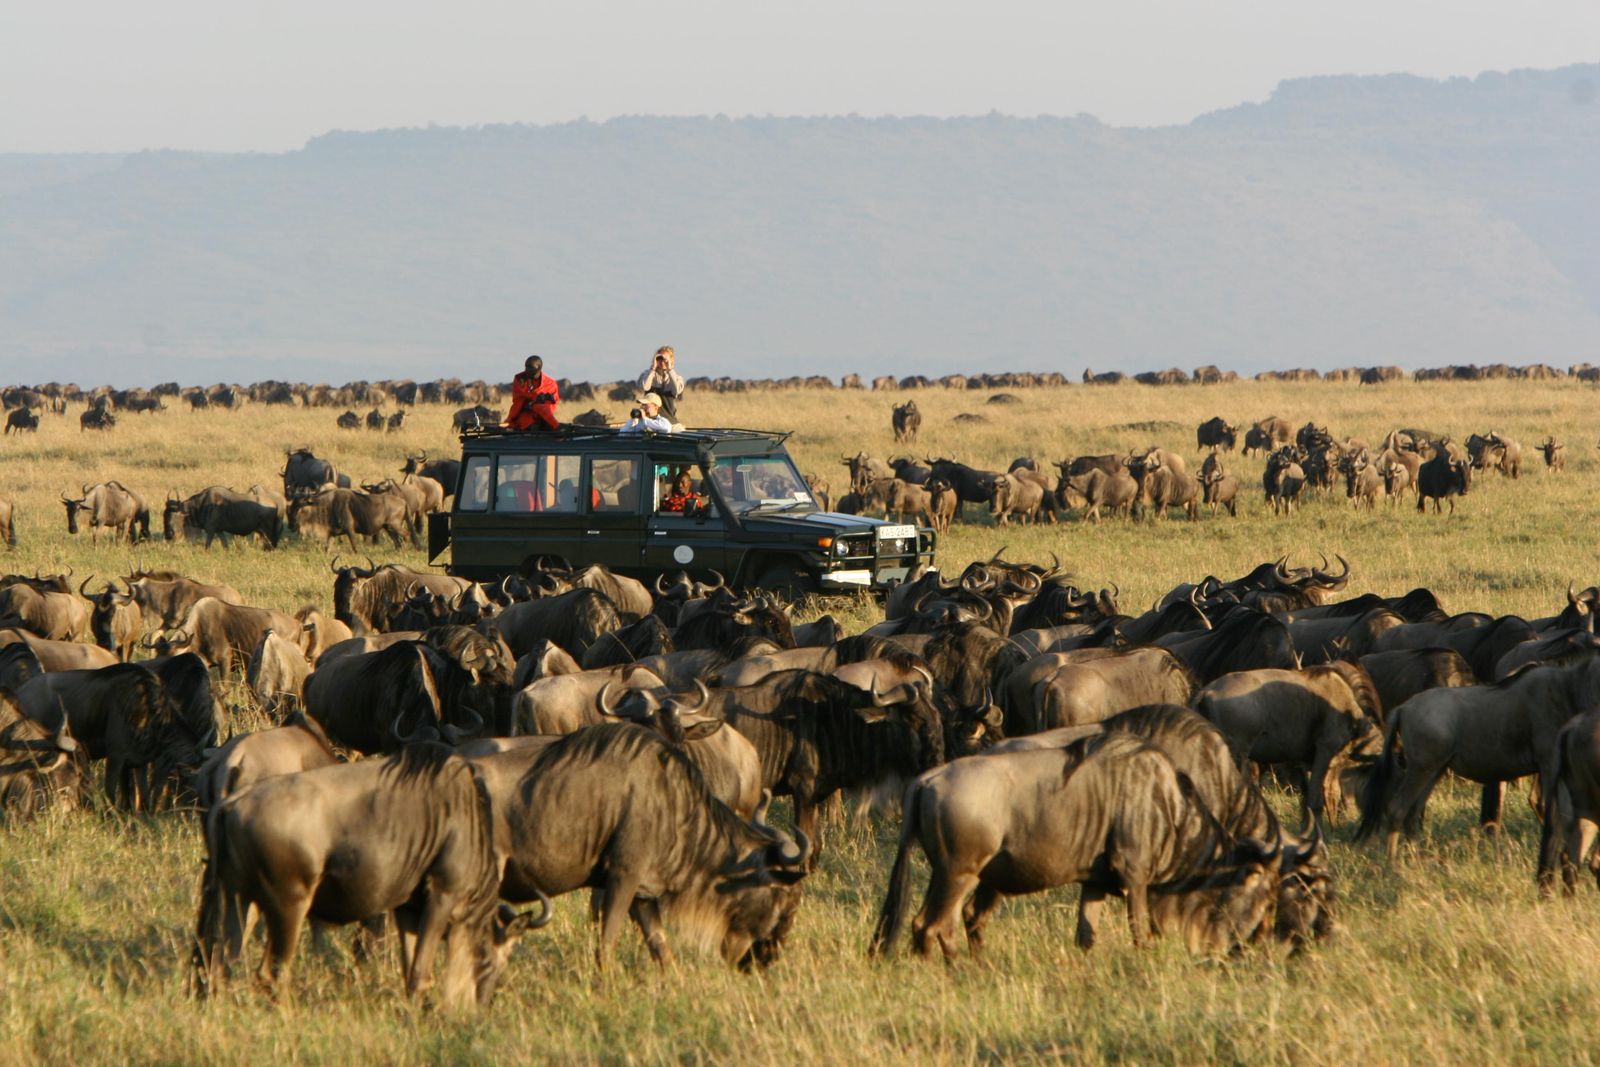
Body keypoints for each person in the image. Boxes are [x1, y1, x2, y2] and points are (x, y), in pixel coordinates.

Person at [504, 355, 560, 431]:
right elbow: (518, 399)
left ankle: (557, 427)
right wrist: (534, 399)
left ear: (539, 368)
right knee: (528, 421)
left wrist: (544, 399)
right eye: (526, 366)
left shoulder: (550, 383)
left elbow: (554, 400)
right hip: (525, 413)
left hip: (545, 414)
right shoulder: (520, 378)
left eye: (530, 367)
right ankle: (556, 427)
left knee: (539, 407)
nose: (527, 369)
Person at [636, 346, 686, 422]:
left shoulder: (677, 378)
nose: (662, 362)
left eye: (665, 360)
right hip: (650, 420)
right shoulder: (648, 374)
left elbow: (676, 390)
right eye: (659, 359)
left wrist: (670, 370)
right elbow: (644, 387)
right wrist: (653, 368)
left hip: (669, 420)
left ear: (671, 360)